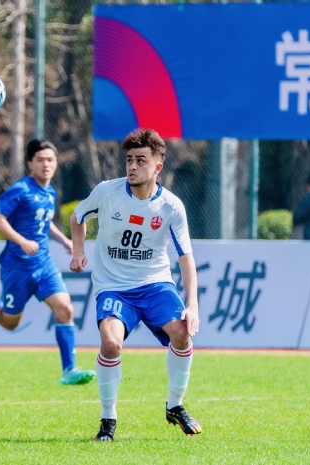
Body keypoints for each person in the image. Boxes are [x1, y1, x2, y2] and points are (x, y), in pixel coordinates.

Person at [69, 128, 201, 442]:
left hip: (155, 284)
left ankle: (175, 405)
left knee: (182, 333)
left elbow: (185, 257)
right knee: (111, 343)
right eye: (129, 160)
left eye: (141, 160)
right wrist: (77, 250)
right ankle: (108, 418)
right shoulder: (107, 192)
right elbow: (77, 217)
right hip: (113, 286)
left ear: (158, 167)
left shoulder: (171, 206)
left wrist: (192, 305)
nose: (132, 166)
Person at [0, 138, 96, 386]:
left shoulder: (50, 192)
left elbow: (44, 221)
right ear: (30, 164)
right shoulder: (20, 190)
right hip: (17, 268)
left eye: (50, 160)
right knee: (9, 323)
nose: (46, 164)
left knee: (65, 309)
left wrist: (63, 240)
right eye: (40, 160)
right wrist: (21, 241)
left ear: (56, 163)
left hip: (43, 264)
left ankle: (69, 370)